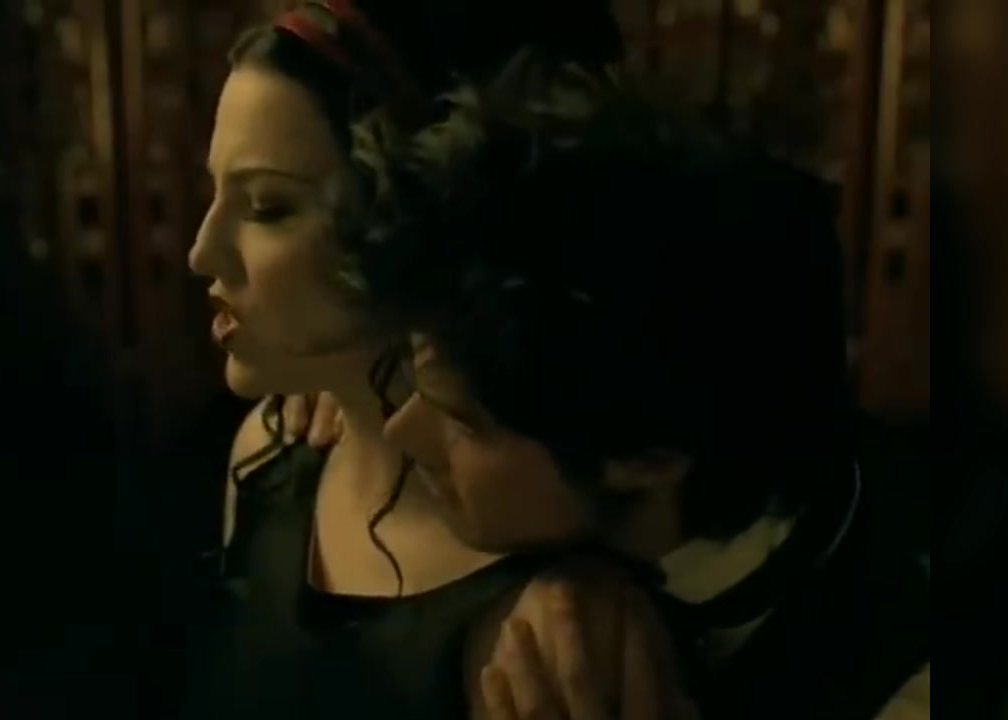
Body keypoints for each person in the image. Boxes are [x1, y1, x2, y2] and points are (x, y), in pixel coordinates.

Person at [290, 56, 932, 719]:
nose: (402, 430)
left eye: (463, 422)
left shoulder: (901, 673)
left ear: (647, 459)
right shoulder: (590, 454)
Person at [177, 1, 695, 718]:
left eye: (268, 207)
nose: (201, 252)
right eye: (215, 191)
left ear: (403, 219)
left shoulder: (556, 618)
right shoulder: (270, 455)